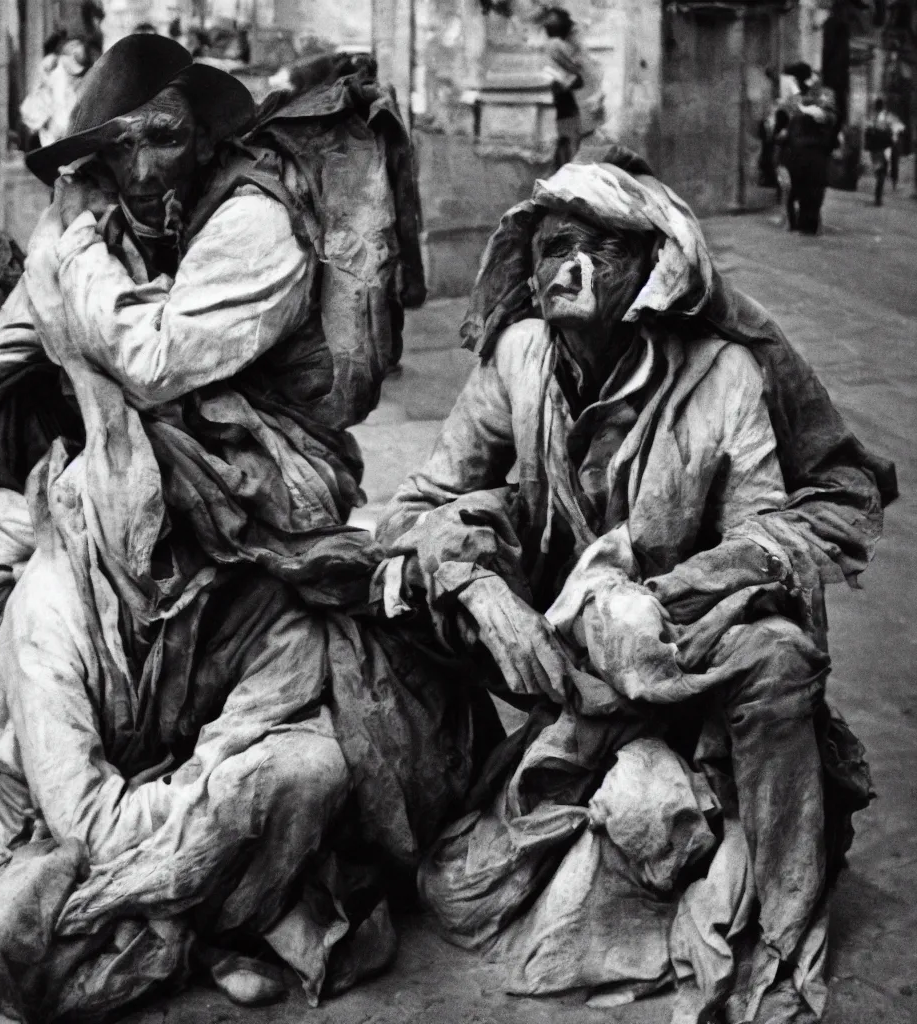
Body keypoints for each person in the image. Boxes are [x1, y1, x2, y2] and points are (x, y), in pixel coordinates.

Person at [0, 34, 468, 1023]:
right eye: (118, 149)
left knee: (311, 756)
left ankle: (196, 909)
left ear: (206, 133)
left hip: (257, 518)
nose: (140, 167)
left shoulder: (255, 227)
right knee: (36, 719)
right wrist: (44, 304)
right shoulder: (108, 240)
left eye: (162, 139)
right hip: (130, 532)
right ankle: (196, 909)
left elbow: (158, 359)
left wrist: (73, 265)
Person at [373, 151, 894, 1022]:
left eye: (590, 248)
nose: (561, 270)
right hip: (563, 651)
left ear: (648, 262)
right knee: (461, 881)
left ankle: (782, 928)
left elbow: (766, 531)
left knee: (778, 657)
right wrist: (479, 587)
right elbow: (420, 503)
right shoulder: (519, 357)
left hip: (678, 640)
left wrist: (657, 600)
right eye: (546, 250)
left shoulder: (721, 373)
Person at [778, 62, 838, 233]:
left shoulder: (824, 95)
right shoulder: (792, 99)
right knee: (798, 190)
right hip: (796, 153)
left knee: (813, 192)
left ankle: (810, 224)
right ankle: (802, 222)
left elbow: (829, 117)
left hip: (815, 152)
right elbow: (786, 122)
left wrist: (811, 110)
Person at [539, 6, 585, 169]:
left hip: (560, 102)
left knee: (564, 143)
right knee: (570, 142)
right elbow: (577, 70)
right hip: (565, 103)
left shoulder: (549, 45)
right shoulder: (557, 45)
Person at [865, 98, 894, 205]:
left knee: (879, 171)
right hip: (885, 147)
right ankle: (878, 197)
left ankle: (878, 197)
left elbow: (868, 132)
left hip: (876, 148)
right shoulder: (887, 117)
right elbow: (892, 131)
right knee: (882, 171)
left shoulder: (872, 118)